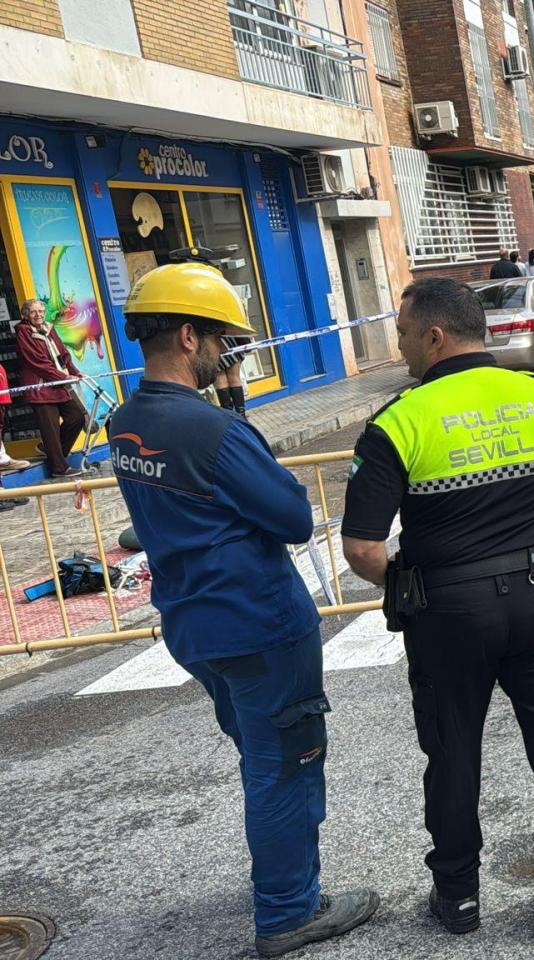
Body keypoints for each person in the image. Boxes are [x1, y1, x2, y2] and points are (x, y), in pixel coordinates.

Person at [106, 259, 379, 958]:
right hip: (258, 622)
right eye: (224, 341)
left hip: (194, 624)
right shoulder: (212, 432)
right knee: (287, 763)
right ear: (190, 336)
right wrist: (245, 435)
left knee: (261, 754)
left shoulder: (125, 421)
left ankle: (283, 871)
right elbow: (290, 515)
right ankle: (288, 910)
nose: (230, 355)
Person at [341, 278, 534, 945]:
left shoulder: (401, 420)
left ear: (434, 336)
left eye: (401, 335)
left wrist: (407, 582)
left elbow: (363, 547)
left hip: (450, 610)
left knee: (453, 754)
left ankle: (458, 899)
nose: (399, 349)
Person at [14, 297, 88, 477]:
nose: (38, 315)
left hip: (57, 383)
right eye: (33, 312)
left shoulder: (49, 328)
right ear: (26, 315)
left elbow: (63, 354)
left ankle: (52, 452)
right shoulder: (23, 331)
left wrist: (75, 372)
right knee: (50, 428)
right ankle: (59, 468)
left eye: (40, 311)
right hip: (40, 387)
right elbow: (37, 363)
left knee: (76, 417)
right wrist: (64, 377)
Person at [214, 334, 252, 419]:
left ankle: (229, 416)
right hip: (228, 339)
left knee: (220, 380)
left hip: (211, 343)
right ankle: (241, 415)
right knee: (234, 377)